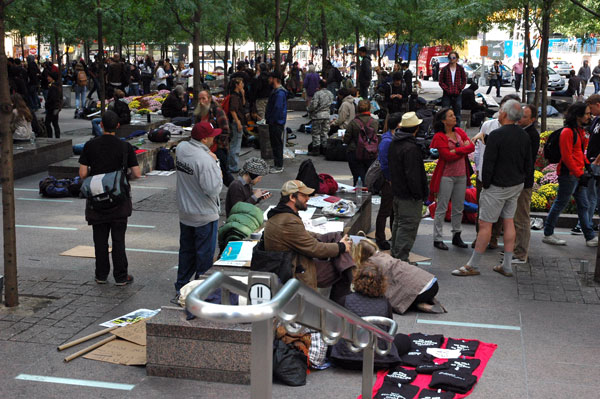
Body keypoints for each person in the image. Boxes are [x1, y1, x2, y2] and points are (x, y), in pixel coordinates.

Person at [453, 100, 531, 277]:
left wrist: (486, 184)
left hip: (497, 186)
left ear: (504, 113)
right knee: (508, 221)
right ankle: (507, 265)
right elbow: (528, 163)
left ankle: (473, 264)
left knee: (485, 224)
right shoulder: (523, 135)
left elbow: (488, 164)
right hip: (516, 184)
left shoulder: (496, 134)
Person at [79, 110, 141, 285]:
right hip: (118, 200)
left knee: (99, 239)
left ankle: (101, 275)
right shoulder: (125, 147)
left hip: (96, 200)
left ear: (101, 125)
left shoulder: (90, 145)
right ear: (118, 126)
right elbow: (136, 173)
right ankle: (121, 276)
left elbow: (83, 173)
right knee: (118, 239)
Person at [264, 180, 353, 299]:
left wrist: (328, 240)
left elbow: (302, 234)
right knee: (341, 270)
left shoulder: (283, 214)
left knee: (335, 236)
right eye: (304, 195)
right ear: (292, 197)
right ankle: (341, 302)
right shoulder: (288, 221)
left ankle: (351, 273)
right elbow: (314, 249)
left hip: (297, 257)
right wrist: (341, 247)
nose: (308, 198)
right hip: (295, 269)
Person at [174, 122, 224, 297]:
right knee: (204, 257)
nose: (213, 138)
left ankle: (181, 285)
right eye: (212, 135)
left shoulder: (181, 148)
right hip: (204, 214)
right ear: (204, 139)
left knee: (186, 252)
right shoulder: (206, 160)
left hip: (185, 212)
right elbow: (213, 189)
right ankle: (201, 292)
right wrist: (216, 164)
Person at [543, 102, 597, 247]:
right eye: (586, 113)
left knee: (583, 205)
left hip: (577, 174)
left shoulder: (578, 131)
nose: (588, 116)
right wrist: (581, 173)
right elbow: (567, 157)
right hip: (569, 175)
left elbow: (579, 152)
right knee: (561, 203)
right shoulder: (568, 132)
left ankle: (590, 236)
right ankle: (548, 233)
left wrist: (587, 168)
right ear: (578, 115)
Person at [329, 264, 404, 370]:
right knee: (403, 340)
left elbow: (335, 328)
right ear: (382, 283)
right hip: (378, 360)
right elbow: (388, 332)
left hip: (344, 358)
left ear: (357, 280)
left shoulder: (345, 300)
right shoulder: (385, 304)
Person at [471, 93, 521, 248]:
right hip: (485, 173)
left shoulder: (517, 130)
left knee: (503, 213)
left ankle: (493, 238)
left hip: (503, 177)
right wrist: (478, 168)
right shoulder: (488, 125)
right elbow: (479, 149)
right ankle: (480, 237)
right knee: (483, 210)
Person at [353, 240, 443, 314]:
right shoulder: (383, 255)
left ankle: (420, 305)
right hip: (432, 283)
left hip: (422, 292)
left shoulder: (372, 264)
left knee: (393, 300)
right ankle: (425, 299)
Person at [429, 107, 475, 250]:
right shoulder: (439, 136)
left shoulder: (459, 132)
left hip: (461, 175)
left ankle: (457, 235)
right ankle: (437, 238)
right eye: (450, 116)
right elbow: (446, 156)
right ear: (443, 120)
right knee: (441, 207)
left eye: (454, 115)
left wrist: (457, 150)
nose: (454, 117)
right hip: (446, 176)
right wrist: (462, 150)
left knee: (458, 207)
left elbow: (472, 147)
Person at [388, 112, 428, 261]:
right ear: (415, 128)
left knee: (399, 224)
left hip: (398, 192)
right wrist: (419, 194)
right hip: (408, 196)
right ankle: (400, 260)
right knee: (407, 227)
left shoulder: (395, 142)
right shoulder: (410, 148)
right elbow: (413, 176)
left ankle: (396, 256)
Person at [512, 103, 540, 263]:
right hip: (517, 180)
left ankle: (521, 254)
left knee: (521, 218)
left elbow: (527, 162)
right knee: (515, 217)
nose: (520, 118)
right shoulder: (521, 131)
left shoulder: (531, 135)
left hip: (522, 182)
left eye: (524, 116)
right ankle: (515, 249)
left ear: (532, 119)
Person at [375, 112, 403, 251]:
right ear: (398, 125)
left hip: (394, 180)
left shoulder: (391, 138)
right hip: (389, 181)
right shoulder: (387, 141)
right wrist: (390, 179)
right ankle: (380, 238)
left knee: (393, 210)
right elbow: (384, 163)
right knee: (385, 210)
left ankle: (393, 234)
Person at [193, 90, 231, 185]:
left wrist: (216, 144)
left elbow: (225, 131)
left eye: (203, 98)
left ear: (209, 99)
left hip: (217, 148)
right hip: (203, 149)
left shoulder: (217, 112)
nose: (201, 101)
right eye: (199, 99)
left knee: (223, 173)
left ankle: (237, 191)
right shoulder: (199, 114)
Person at [344, 99, 378, 185]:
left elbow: (346, 139)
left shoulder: (353, 123)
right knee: (368, 175)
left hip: (354, 151)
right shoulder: (374, 122)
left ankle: (358, 188)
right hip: (370, 152)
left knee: (357, 176)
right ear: (369, 108)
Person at [265, 70, 288, 174]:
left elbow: (277, 108)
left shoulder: (279, 93)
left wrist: (272, 119)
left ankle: (279, 165)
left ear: (274, 79)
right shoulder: (277, 92)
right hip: (275, 121)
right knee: (275, 144)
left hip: (276, 122)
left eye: (270, 78)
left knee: (277, 144)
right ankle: (277, 163)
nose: (268, 80)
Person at [438, 51, 467, 126]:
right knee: (445, 112)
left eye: (454, 58)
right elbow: (441, 82)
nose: (452, 59)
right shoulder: (444, 69)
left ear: (457, 59)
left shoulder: (460, 69)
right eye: (450, 58)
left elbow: (464, 80)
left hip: (457, 94)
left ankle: (457, 130)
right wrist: (447, 89)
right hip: (447, 94)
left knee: (457, 113)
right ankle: (445, 129)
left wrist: (460, 88)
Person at [307, 79, 334, 156]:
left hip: (317, 116)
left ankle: (316, 149)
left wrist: (309, 109)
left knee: (316, 132)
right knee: (325, 132)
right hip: (327, 115)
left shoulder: (317, 94)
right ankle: (325, 148)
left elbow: (314, 105)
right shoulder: (330, 94)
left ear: (320, 85)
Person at [227, 77, 246, 174]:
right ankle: (233, 166)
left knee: (235, 143)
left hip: (238, 121)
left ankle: (232, 165)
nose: (242, 85)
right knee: (236, 144)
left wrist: (243, 95)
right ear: (236, 85)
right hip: (236, 122)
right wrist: (238, 122)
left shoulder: (238, 95)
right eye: (241, 83)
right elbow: (232, 110)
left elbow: (243, 105)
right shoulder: (234, 97)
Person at [45, 71, 61, 138]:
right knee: (55, 123)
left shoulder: (53, 87)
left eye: (49, 77)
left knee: (48, 123)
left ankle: (50, 136)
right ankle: (57, 137)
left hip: (52, 108)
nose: (47, 78)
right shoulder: (56, 86)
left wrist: (48, 104)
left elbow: (53, 98)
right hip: (55, 107)